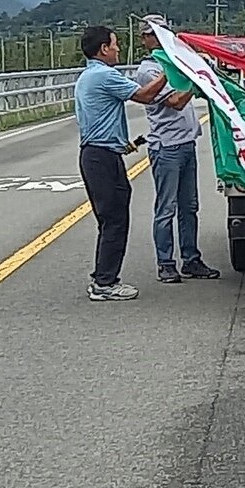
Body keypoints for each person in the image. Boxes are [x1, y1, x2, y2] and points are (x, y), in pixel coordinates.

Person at [74, 25, 168, 301]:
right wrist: (171, 72)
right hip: (101, 157)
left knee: (111, 219)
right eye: (115, 44)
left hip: (99, 155)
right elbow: (145, 96)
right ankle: (105, 282)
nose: (118, 49)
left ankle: (104, 278)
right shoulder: (104, 75)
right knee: (114, 220)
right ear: (103, 48)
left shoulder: (89, 75)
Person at [135, 16, 221, 284]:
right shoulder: (150, 70)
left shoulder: (178, 62)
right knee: (166, 208)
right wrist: (197, 82)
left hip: (186, 143)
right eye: (152, 34)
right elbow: (175, 102)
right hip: (166, 146)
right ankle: (166, 263)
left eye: (162, 32)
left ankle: (191, 259)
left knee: (189, 207)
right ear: (145, 39)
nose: (158, 37)